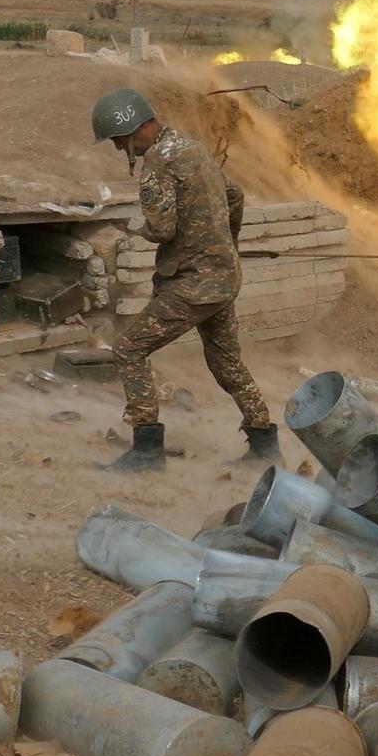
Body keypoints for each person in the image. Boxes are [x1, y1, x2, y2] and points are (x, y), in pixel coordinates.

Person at [90, 88, 280, 472]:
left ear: (132, 131)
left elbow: (162, 229)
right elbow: (235, 195)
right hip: (223, 278)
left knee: (129, 349)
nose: (117, 149)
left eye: (116, 140)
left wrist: (137, 228)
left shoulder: (158, 165)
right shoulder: (192, 149)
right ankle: (265, 445)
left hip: (192, 285)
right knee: (227, 363)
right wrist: (229, 244)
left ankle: (146, 451)